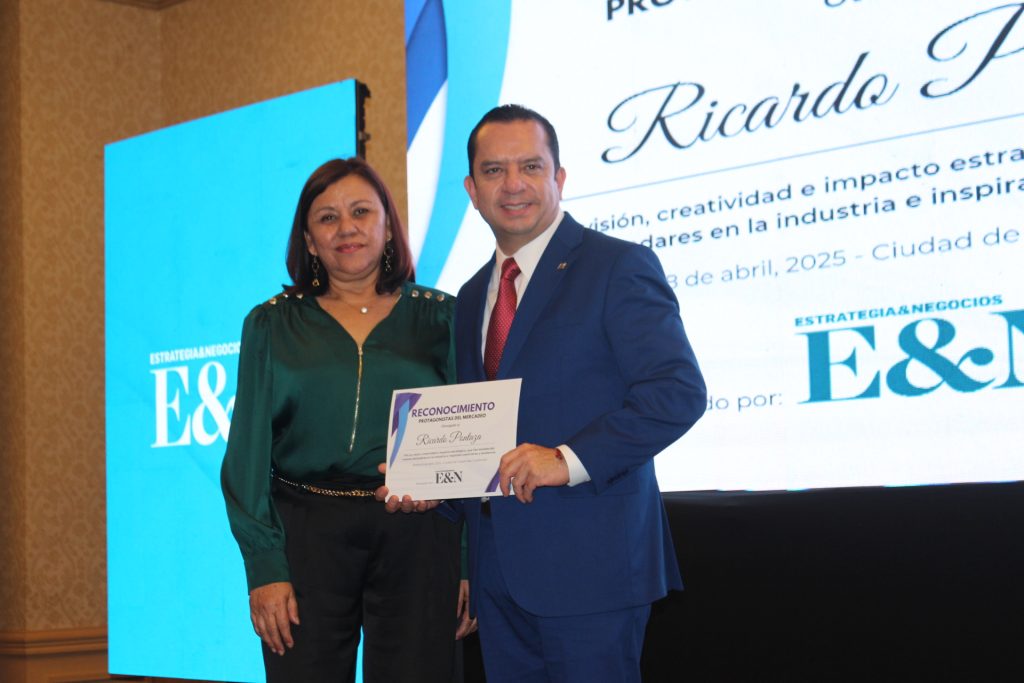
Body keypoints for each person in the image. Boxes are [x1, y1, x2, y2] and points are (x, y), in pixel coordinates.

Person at [453, 105, 706, 682]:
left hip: (594, 568)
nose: (512, 184)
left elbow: (677, 391)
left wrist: (566, 460)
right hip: (499, 577)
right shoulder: (469, 297)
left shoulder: (617, 265)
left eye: (530, 166)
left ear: (559, 178)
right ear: (472, 190)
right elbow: (478, 426)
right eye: (493, 170)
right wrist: (428, 487)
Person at [221, 157, 474, 683]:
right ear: (309, 241)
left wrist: (469, 563)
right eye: (327, 217)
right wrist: (264, 567)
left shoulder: (444, 317)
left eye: (361, 211)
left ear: (388, 227)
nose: (346, 228)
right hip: (306, 532)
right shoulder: (270, 323)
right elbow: (246, 455)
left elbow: (472, 445)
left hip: (421, 532)